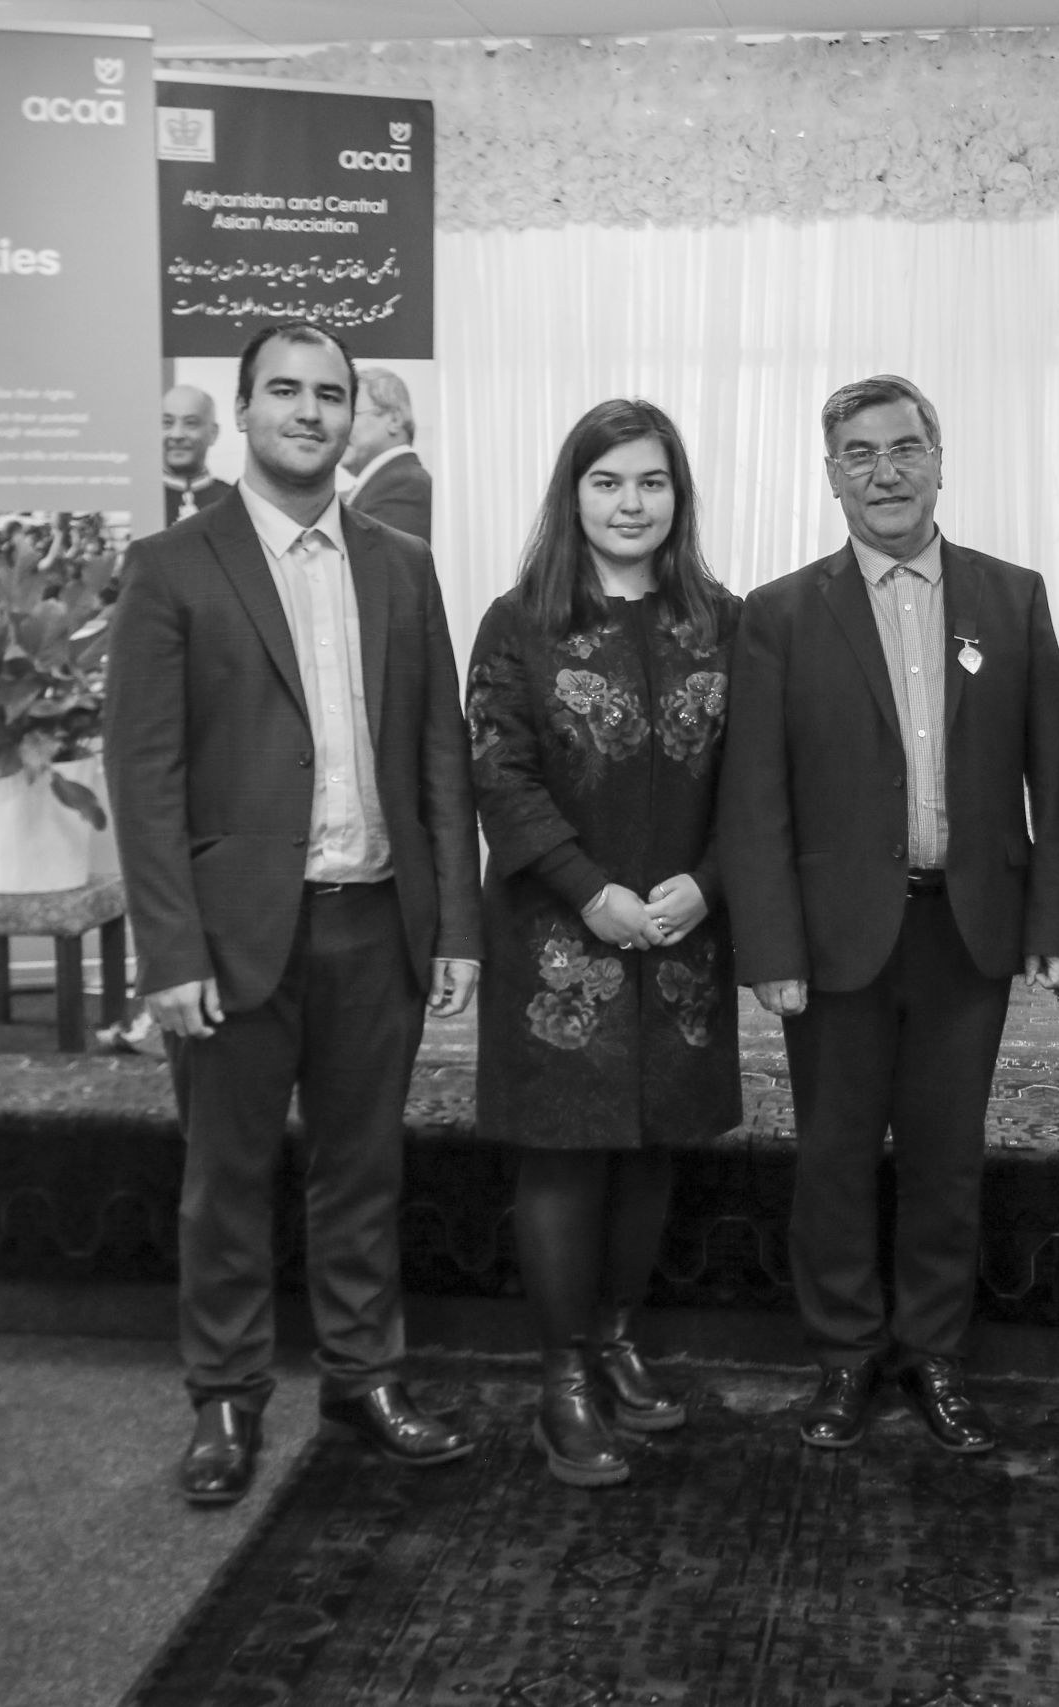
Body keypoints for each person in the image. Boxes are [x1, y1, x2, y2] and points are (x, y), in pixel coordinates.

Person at [106, 320, 485, 1507]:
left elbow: (440, 756)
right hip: (230, 937)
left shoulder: (398, 561)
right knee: (225, 1179)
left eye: (330, 394)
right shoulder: (172, 566)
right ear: (245, 409)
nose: (310, 413)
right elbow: (144, 776)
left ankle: (365, 1377)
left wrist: (458, 926)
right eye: (286, 392)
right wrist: (168, 949)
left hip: (376, 922)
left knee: (363, 1171)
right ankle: (224, 1398)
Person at [719, 374, 1059, 1457]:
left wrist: (1054, 927)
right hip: (833, 941)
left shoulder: (1011, 599)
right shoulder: (779, 615)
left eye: (903, 449)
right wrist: (771, 945)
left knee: (946, 1156)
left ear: (939, 459)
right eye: (860, 455)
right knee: (832, 1154)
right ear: (830, 475)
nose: (885, 472)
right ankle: (842, 1356)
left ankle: (934, 1354)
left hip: (967, 931)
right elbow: (755, 797)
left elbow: (1051, 783)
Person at [463, 398, 741, 1487]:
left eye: (652, 482)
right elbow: (499, 775)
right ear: (571, 494)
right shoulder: (517, 624)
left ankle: (618, 1336)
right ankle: (562, 1377)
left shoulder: (721, 620)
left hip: (682, 938)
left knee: (651, 1154)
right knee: (567, 1159)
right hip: (557, 942)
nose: (632, 504)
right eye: (608, 481)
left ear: (679, 497)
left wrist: (707, 887)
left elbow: (754, 784)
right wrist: (591, 894)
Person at [343, 367, 430, 541]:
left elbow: (374, 565)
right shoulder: (391, 483)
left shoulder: (405, 486)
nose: (341, 426)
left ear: (394, 420)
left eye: (352, 414)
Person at [161, 384, 237, 526]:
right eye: (167, 423)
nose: (177, 434)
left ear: (213, 433)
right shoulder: (140, 495)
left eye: (190, 423)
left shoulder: (233, 502)